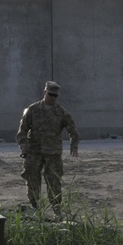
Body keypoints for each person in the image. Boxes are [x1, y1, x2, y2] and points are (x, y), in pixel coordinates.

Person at [17, 81, 80, 215]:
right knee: (32, 179)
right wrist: (23, 146)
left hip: (53, 153)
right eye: (50, 94)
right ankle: (35, 207)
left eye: (55, 95)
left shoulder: (60, 112)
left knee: (54, 181)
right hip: (34, 152)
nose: (52, 97)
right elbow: (22, 130)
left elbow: (73, 130)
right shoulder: (32, 110)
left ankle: (56, 209)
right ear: (44, 93)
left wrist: (74, 145)